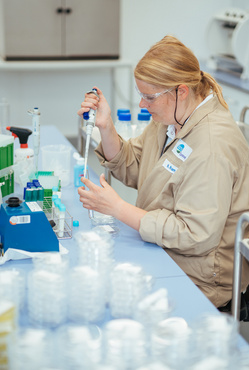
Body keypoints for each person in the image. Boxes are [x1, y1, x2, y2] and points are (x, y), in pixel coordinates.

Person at [77, 35, 249, 313]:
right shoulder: (173, 119)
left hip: (200, 278)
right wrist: (106, 127)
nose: (143, 105)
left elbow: (195, 235)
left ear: (181, 91)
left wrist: (118, 208)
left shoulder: (212, 146)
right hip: (163, 251)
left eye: (149, 97)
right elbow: (136, 167)